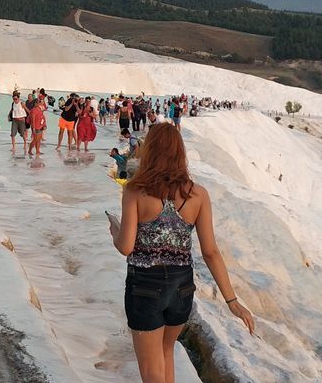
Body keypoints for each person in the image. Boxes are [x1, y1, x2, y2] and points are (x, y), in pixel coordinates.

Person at [109, 123, 255, 383]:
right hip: (182, 289)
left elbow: (126, 247)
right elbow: (210, 252)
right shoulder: (197, 194)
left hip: (145, 287)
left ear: (150, 151)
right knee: (166, 353)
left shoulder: (135, 190)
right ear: (180, 153)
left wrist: (115, 231)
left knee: (152, 371)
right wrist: (232, 301)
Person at [8, 90, 28, 154]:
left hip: (21, 121)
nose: (15, 100)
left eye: (16, 99)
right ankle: (13, 147)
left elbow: (27, 110)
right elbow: (12, 110)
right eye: (13, 99)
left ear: (18, 98)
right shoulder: (13, 103)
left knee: (23, 134)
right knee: (12, 134)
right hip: (14, 120)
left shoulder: (22, 103)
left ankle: (25, 143)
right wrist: (8, 115)